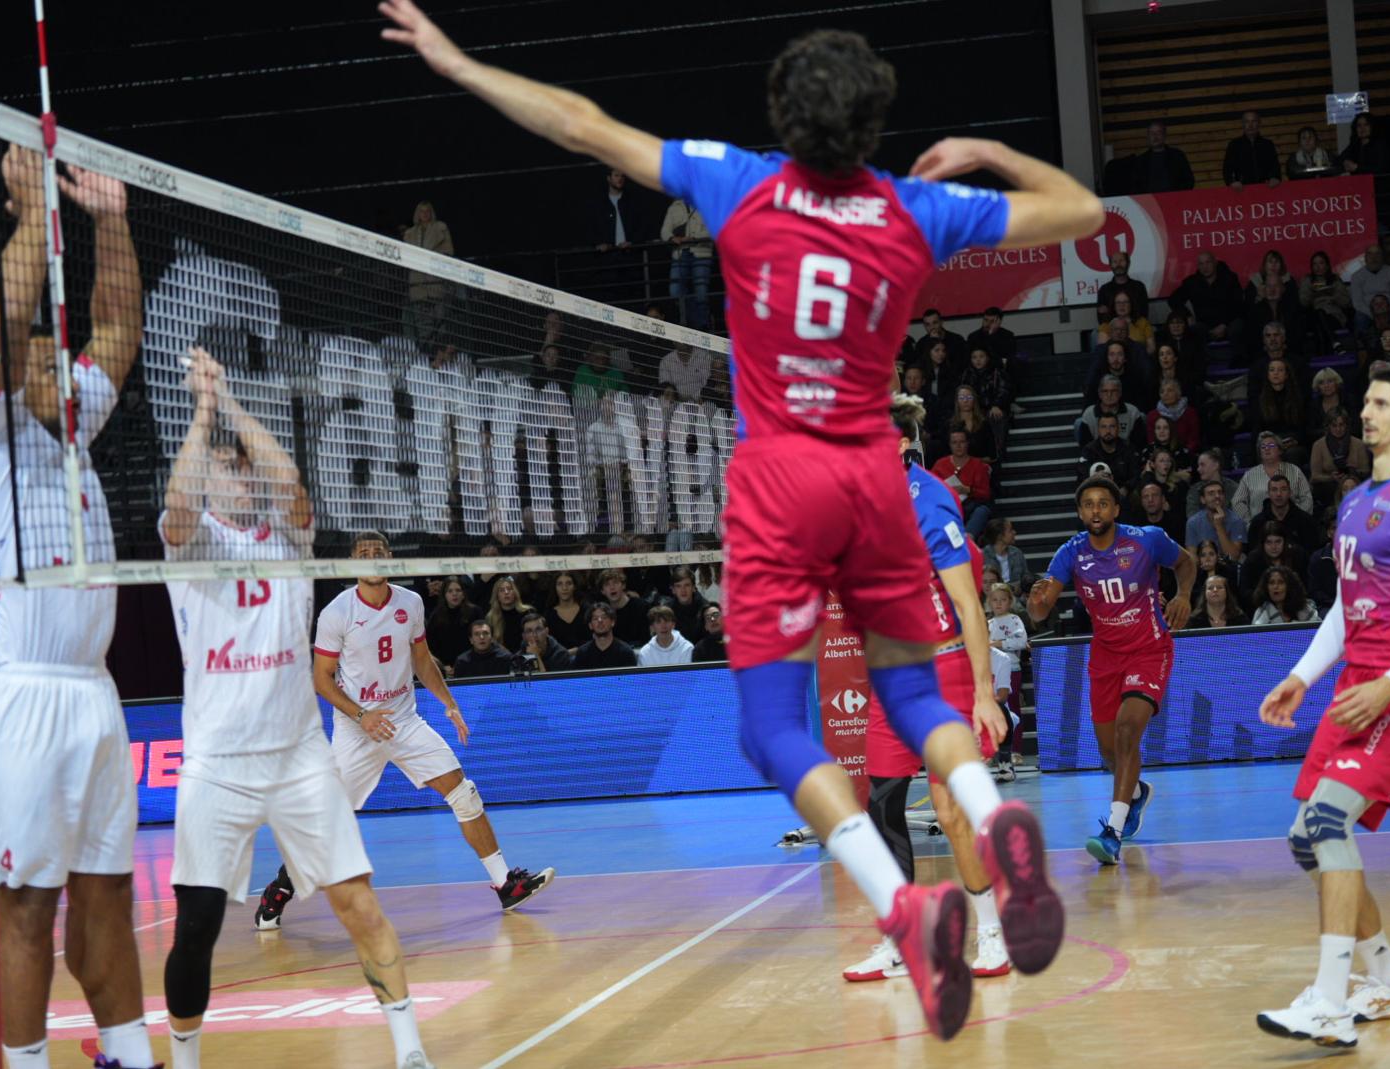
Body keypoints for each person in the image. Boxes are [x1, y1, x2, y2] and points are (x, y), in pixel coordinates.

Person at [377, 3, 1106, 1037]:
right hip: (872, 479)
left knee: (771, 727)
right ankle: (994, 815)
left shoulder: (741, 180)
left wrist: (457, 63)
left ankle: (903, 906)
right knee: (911, 692)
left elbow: (582, 124)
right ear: (874, 124)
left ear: (783, 116)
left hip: (779, 488)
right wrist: (985, 151)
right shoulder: (912, 209)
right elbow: (1082, 210)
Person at [159, 347, 436, 1069]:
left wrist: (236, 408)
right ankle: (183, 1059)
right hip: (217, 764)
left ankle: (410, 1051)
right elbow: (181, 506)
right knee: (197, 925)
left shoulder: (291, 539)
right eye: (227, 468)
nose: (239, 475)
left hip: (298, 758)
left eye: (241, 466)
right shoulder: (189, 548)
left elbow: (293, 487)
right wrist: (202, 412)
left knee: (358, 902)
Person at [0, 147, 158, 1069]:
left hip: (93, 694)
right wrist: (35, 211)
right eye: (43, 356)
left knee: (108, 895)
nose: (61, 367)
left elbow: (120, 320)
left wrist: (110, 220)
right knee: (27, 907)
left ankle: (122, 1052)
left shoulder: (73, 428)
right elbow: (3, 329)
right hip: (23, 698)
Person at [1255, 366, 1390, 1049]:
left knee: (1324, 820)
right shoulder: (1352, 503)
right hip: (1356, 685)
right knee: (1305, 838)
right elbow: (1349, 610)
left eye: (1381, 403)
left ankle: (1328, 1001)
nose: (1366, 412)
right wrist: (1302, 675)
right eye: (1366, 401)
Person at [845, 397, 1058, 984]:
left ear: (897, 445)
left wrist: (985, 692)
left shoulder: (929, 498)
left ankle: (991, 930)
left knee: (949, 811)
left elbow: (967, 603)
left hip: (945, 672)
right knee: (881, 807)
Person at [254, 532, 554, 931]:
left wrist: (449, 704)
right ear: (353, 563)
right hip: (358, 729)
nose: (373, 558)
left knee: (462, 791)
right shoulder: (336, 613)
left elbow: (421, 660)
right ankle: (280, 889)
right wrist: (363, 717)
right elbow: (321, 680)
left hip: (404, 719)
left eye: (379, 552)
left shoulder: (410, 603)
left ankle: (504, 884)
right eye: (364, 554)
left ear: (391, 558)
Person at [1028, 477, 1196, 865]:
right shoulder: (1070, 552)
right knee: (1110, 753)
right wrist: (1036, 602)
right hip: (1104, 656)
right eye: (1088, 505)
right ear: (1080, 512)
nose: (1096, 511)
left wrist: (1185, 595)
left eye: (1103, 503)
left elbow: (1185, 562)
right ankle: (1135, 793)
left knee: (1126, 732)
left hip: (1149, 649)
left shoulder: (1146, 539)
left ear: (1116, 509)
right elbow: (1040, 611)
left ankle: (1113, 832)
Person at [402, 200, 453, 349]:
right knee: (423, 328)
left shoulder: (440, 228)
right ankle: (428, 359)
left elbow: (448, 252)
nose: (424, 214)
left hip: (436, 285)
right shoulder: (409, 234)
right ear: (417, 214)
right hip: (418, 287)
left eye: (427, 211)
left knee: (441, 327)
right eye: (421, 211)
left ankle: (441, 359)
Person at [1173, 251, 1246, 350]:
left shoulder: (1229, 278)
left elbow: (1239, 304)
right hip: (1205, 326)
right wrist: (1187, 315)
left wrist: (1224, 325)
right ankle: (1201, 363)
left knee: (1239, 326)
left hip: (1229, 322)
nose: (1205, 267)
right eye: (1201, 264)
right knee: (1194, 330)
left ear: (1215, 262)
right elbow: (1173, 300)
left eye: (1208, 262)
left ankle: (1240, 361)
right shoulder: (1192, 282)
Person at [1234, 433, 1314, 521]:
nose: (1267, 448)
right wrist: (1250, 522)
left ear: (1280, 450)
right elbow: (1237, 501)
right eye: (1263, 447)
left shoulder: (1295, 471)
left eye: (1271, 445)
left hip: (1292, 526)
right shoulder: (1249, 475)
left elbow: (1307, 498)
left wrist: (1297, 519)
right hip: (1261, 527)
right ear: (1260, 453)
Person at [661, 196, 713, 329]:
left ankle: (703, 326)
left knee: (701, 292)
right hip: (680, 253)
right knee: (675, 291)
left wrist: (694, 238)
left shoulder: (706, 204)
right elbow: (665, 231)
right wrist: (673, 238)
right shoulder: (675, 206)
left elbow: (713, 229)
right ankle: (688, 324)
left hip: (701, 252)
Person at [930, 428, 993, 535]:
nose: (958, 446)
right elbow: (930, 489)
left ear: (967, 443)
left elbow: (986, 494)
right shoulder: (940, 465)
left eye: (962, 442)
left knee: (982, 511)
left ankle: (967, 539)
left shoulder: (978, 465)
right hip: (947, 507)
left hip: (971, 507)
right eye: (954, 442)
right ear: (949, 445)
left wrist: (967, 490)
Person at [1310, 408, 1372, 505]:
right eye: (1334, 426)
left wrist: (1352, 471)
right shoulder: (1318, 445)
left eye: (1341, 425)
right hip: (1330, 485)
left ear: (1346, 425)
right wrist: (1331, 477)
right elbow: (1315, 476)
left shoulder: (1358, 444)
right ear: (1328, 426)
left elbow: (1366, 471)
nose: (1338, 429)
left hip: (1354, 483)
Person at [1349, 245, 1390, 334]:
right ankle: (1363, 346)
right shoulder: (1356, 276)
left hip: (1389, 308)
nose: (1373, 258)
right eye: (1370, 254)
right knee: (1359, 318)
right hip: (1367, 310)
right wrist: (1374, 314)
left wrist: (1385, 311)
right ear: (1365, 258)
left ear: (1382, 256)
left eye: (1377, 254)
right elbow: (1357, 303)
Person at [426, 577, 480, 670]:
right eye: (450, 591)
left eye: (458, 590)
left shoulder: (475, 612)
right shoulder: (436, 616)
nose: (454, 594)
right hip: (444, 667)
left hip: (471, 664)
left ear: (463, 594)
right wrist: (443, 666)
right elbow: (430, 646)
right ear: (444, 595)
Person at [1185, 479, 1246, 560]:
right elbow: (1192, 558)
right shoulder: (1193, 523)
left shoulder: (1236, 521)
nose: (1217, 496)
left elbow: (1233, 557)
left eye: (1220, 492)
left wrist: (1219, 526)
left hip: (1229, 569)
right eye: (1211, 493)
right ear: (1203, 499)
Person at [1078, 411, 1140, 489]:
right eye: (1103, 427)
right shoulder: (1089, 450)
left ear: (1118, 429)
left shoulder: (1129, 448)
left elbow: (1136, 475)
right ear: (1098, 430)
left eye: (1112, 426)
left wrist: (1126, 488)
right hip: (1097, 490)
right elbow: (1081, 476)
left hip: (1123, 492)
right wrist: (1094, 478)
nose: (1108, 431)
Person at [571, 602, 638, 670]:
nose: (600, 621)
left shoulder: (625, 652)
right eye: (595, 618)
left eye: (604, 617)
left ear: (612, 622)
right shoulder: (583, 653)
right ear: (590, 625)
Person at [1223, 110, 1282, 188]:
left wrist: (1275, 178)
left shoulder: (1267, 144)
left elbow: (1275, 166)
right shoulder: (1234, 145)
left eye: (1254, 121)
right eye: (1247, 122)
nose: (1250, 125)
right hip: (1242, 190)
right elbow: (1228, 168)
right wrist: (1232, 182)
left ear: (1259, 123)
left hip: (1266, 188)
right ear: (1243, 124)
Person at [1251, 564, 1320, 625]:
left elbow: (1319, 630)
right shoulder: (1261, 612)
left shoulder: (1303, 609)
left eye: (1281, 582)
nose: (1275, 586)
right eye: (1271, 583)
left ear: (1289, 586)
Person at [1097, 249, 1151, 324]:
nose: (1118, 264)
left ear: (1128, 263)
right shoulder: (1104, 290)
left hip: (1136, 327)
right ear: (1110, 265)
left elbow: (1143, 313)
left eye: (1121, 261)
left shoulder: (1139, 287)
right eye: (1115, 262)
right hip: (1112, 330)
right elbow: (1102, 319)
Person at [544, 571, 590, 650]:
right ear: (555, 588)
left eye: (568, 583)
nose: (564, 588)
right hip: (560, 659)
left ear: (575, 586)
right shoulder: (549, 614)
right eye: (560, 584)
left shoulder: (586, 610)